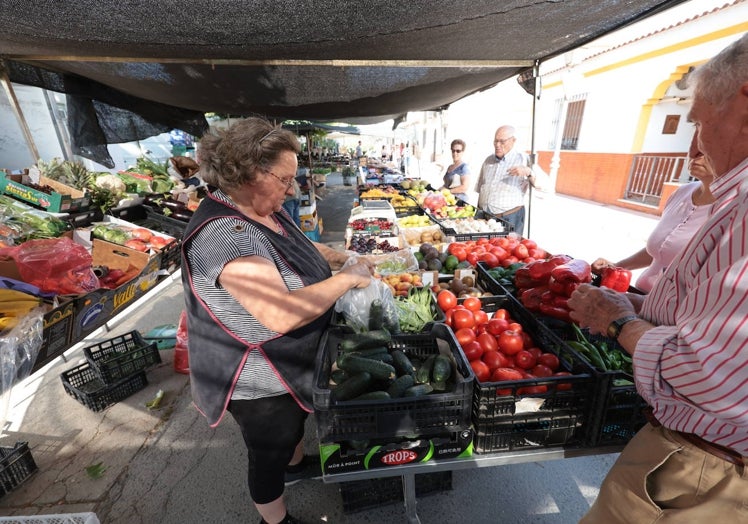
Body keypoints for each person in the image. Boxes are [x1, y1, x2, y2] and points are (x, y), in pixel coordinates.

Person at [568, 33, 748, 523]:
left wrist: (619, 322)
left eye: (701, 121)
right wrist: (636, 308)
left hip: (704, 471)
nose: (699, 139)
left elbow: (706, 374)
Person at [181, 117, 373, 524]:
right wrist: (346, 280)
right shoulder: (224, 234)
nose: (292, 188)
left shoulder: (263, 209)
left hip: (291, 357)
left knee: (293, 424)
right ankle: (275, 518)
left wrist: (342, 258)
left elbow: (303, 248)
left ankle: (297, 463)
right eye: (284, 179)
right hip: (255, 372)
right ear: (251, 173)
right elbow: (279, 312)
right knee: (269, 446)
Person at [591, 153, 715, 293]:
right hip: (640, 297)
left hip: (671, 311)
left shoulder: (735, 212)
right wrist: (618, 266)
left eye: (707, 141)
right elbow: (663, 249)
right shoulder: (683, 192)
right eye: (696, 137)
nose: (694, 151)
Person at [474, 125, 535, 235]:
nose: (497, 145)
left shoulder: (523, 158)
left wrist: (528, 172)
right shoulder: (488, 160)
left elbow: (545, 185)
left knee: (507, 250)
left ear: (513, 140)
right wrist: (478, 212)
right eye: (495, 141)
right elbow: (481, 187)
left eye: (502, 142)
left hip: (509, 218)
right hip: (485, 218)